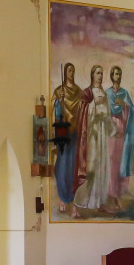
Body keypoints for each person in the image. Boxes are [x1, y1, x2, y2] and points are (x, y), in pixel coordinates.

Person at [73, 65, 114, 213]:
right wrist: (93, 105)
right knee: (91, 168)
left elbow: (108, 113)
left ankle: (100, 202)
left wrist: (113, 129)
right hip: (91, 135)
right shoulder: (87, 93)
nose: (100, 76)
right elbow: (81, 111)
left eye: (102, 73)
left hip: (102, 134)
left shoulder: (104, 93)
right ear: (92, 75)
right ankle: (80, 202)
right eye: (98, 73)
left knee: (102, 167)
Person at [51, 62, 82, 212]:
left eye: (73, 71)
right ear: (65, 72)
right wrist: (59, 102)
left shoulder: (79, 92)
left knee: (73, 166)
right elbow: (55, 113)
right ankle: (63, 197)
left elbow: (83, 110)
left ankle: (74, 198)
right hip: (63, 133)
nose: (71, 73)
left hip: (75, 133)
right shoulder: (59, 91)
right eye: (69, 70)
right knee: (62, 166)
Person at [107, 65, 133, 199]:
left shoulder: (124, 93)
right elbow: (104, 111)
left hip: (122, 125)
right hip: (110, 126)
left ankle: (119, 190)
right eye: (116, 74)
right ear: (112, 76)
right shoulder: (107, 93)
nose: (118, 76)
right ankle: (110, 190)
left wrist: (123, 105)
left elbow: (131, 110)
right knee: (111, 158)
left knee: (120, 158)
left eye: (119, 74)